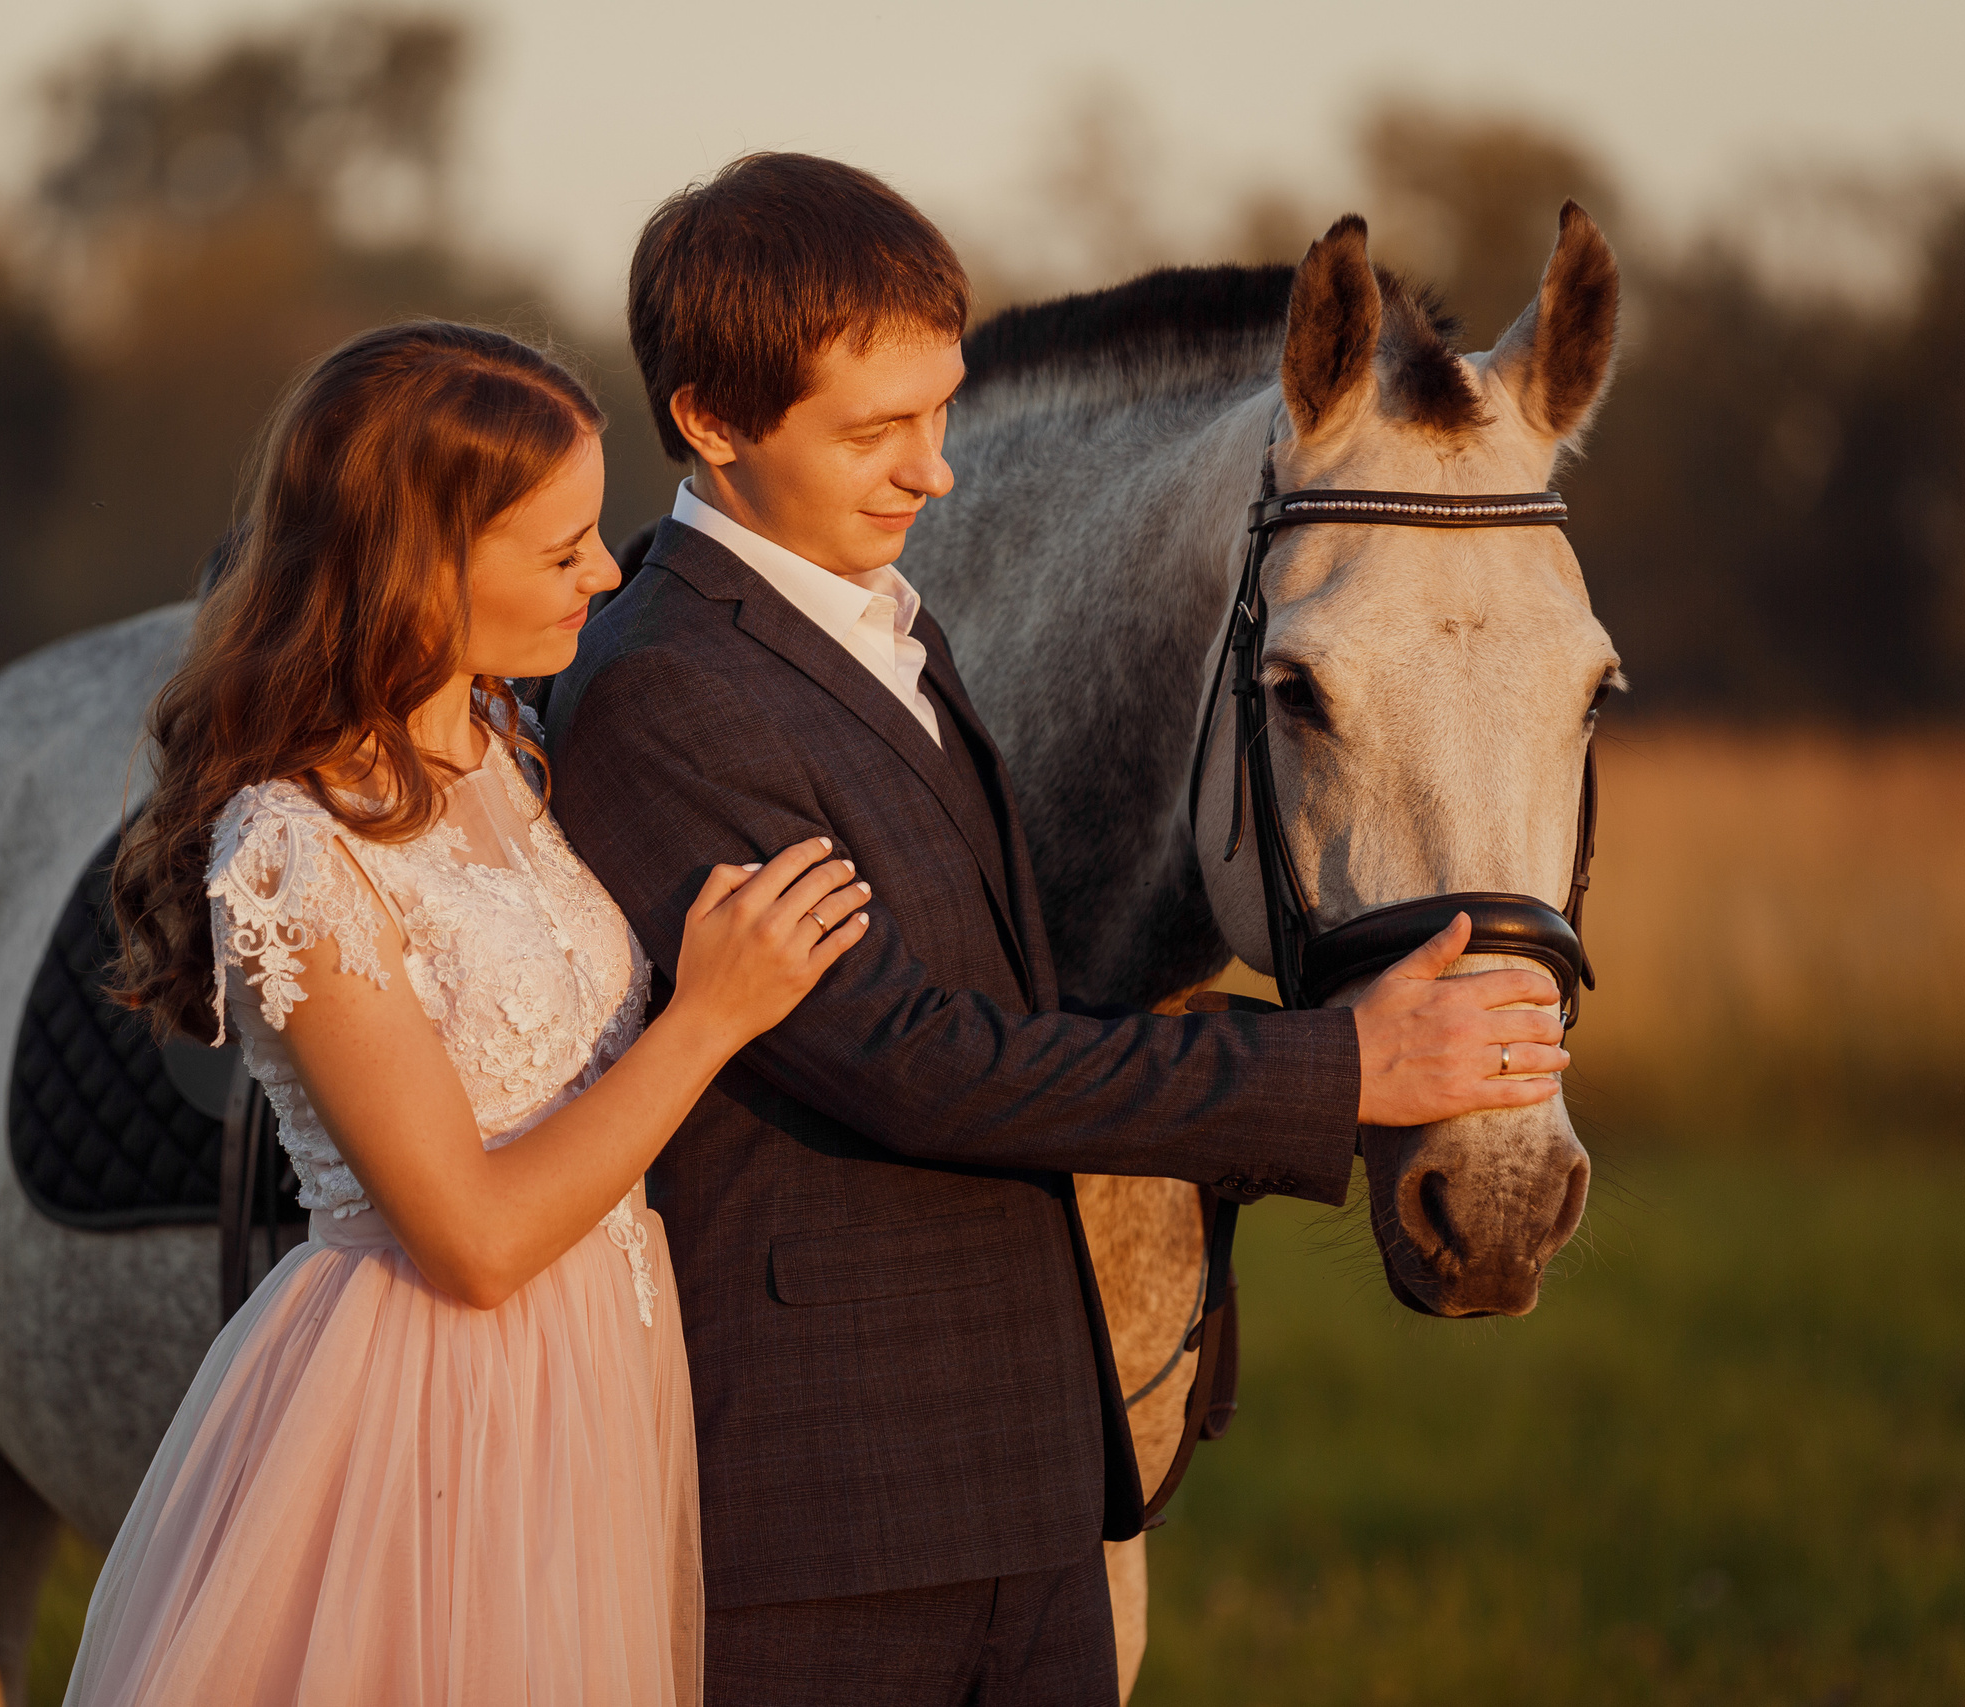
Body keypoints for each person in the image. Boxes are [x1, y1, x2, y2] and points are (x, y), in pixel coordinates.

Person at [542, 154, 1573, 1704]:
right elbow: (905, 1059)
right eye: (874, 432)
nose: (934, 475)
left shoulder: (893, 628)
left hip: (1029, 1499)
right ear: (709, 421)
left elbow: (1013, 994)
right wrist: (1335, 1072)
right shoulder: (661, 684)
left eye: (940, 415)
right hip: (830, 1529)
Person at [71, 321, 869, 1703]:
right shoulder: (295, 844)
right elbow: (477, 1243)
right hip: (431, 1404)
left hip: (598, 1375)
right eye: (560, 553)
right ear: (414, 567)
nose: (606, 573)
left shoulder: (513, 747)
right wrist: (710, 1016)